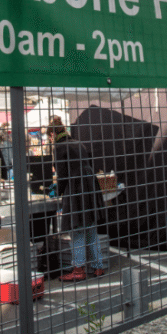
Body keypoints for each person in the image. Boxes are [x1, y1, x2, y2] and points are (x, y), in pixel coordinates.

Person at [48, 116, 107, 281]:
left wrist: (56, 192)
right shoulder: (78, 143)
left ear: (52, 134)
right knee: (90, 229)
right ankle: (98, 267)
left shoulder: (60, 147)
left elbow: (62, 175)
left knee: (77, 230)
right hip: (90, 186)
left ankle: (78, 269)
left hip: (76, 189)